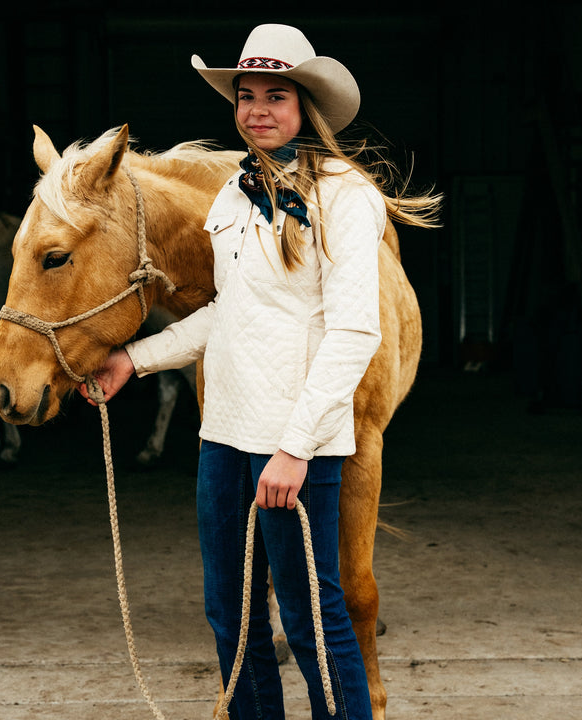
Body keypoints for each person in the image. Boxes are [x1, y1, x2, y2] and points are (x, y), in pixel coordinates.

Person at [80, 23, 441, 719]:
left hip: (292, 449)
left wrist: (295, 448)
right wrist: (135, 358)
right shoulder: (235, 195)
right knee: (233, 616)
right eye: (246, 95)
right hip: (223, 441)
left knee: (312, 620)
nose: (257, 110)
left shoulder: (344, 198)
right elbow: (228, 314)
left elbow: (355, 332)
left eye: (276, 95)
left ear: (307, 106)